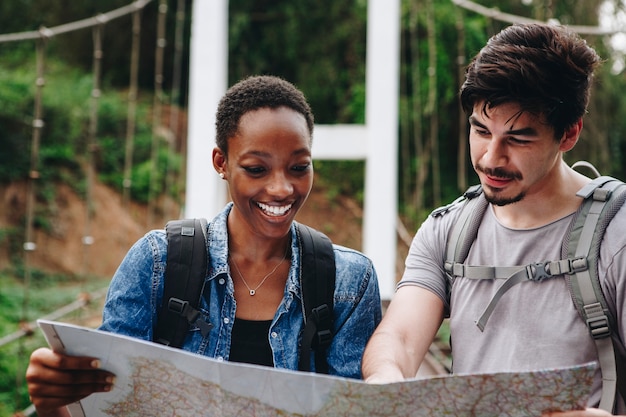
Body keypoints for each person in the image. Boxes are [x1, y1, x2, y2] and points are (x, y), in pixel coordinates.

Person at [26, 75, 382, 416]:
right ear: (221, 163)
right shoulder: (157, 263)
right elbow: (106, 405)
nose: (281, 189)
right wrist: (51, 401)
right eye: (257, 169)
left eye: (299, 167)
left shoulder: (349, 282)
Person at [361, 23, 626, 416]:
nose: (490, 158)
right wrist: (386, 381)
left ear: (569, 134)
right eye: (481, 130)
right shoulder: (448, 231)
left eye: (518, 139)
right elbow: (398, 338)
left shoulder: (617, 233)